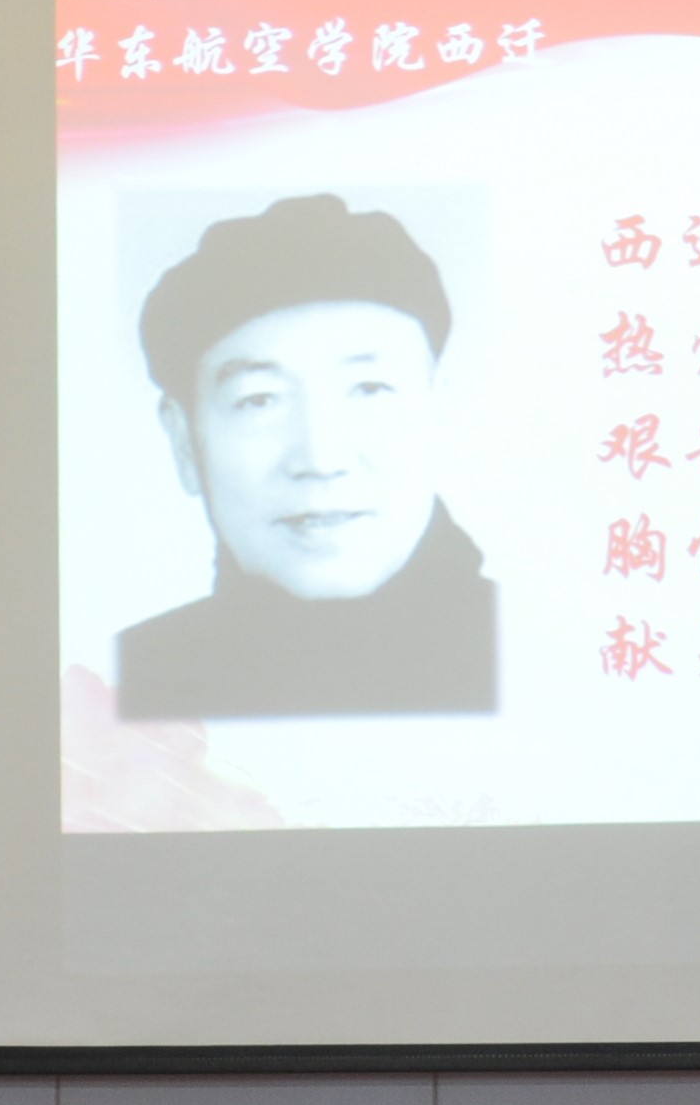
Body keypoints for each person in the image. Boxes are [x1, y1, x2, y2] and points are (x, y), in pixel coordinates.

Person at [113, 195, 496, 719]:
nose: (321, 459)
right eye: (259, 400)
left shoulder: (545, 655)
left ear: (439, 412)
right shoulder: (121, 683)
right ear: (184, 442)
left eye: (370, 389)